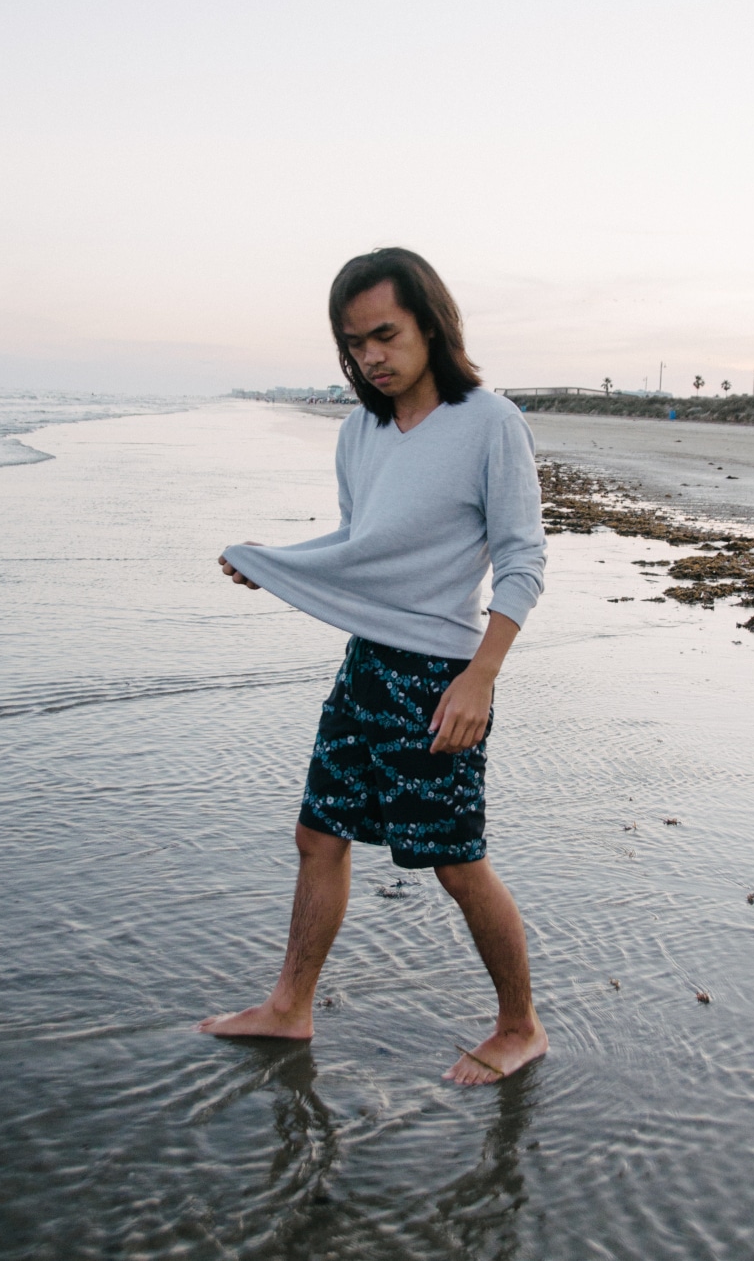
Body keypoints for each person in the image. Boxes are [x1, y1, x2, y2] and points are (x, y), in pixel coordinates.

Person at [198, 248, 548, 1084]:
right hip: (366, 670)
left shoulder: (490, 423)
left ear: (430, 322)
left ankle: (521, 1025)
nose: (371, 358)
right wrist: (276, 562)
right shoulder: (360, 430)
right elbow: (362, 551)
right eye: (354, 345)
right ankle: (289, 1007)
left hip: (441, 678)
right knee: (318, 836)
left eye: (385, 335)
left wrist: (481, 676)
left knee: (456, 864)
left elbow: (524, 560)